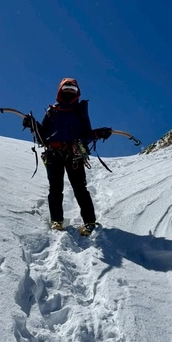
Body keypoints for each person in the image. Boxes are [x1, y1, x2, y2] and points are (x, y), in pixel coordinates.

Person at [23, 78, 112, 235]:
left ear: (77, 92)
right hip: (53, 154)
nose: (70, 92)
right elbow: (43, 136)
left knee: (80, 188)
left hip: (74, 154)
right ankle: (56, 220)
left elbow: (86, 134)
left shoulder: (80, 111)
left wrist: (99, 133)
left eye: (73, 90)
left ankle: (89, 222)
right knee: (55, 188)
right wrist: (33, 124)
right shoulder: (52, 111)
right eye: (67, 89)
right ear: (60, 91)